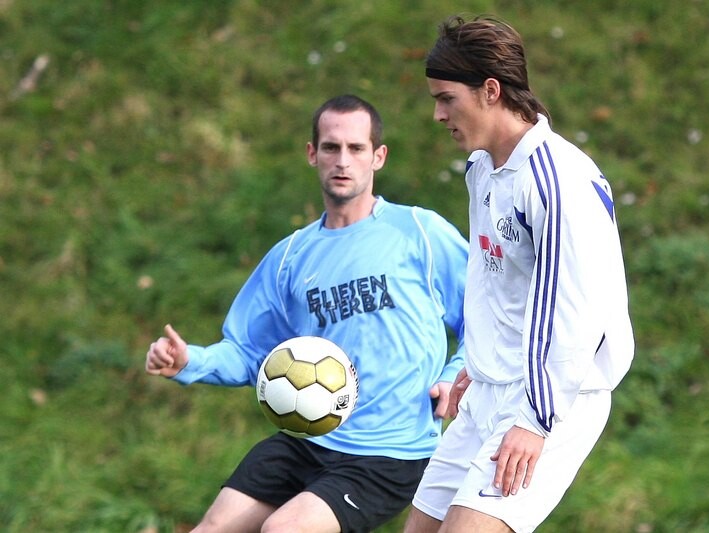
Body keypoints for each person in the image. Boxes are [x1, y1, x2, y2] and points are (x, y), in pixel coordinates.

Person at [145, 94, 468, 533]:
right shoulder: (289, 257)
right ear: (313, 154)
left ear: (378, 156)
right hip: (308, 437)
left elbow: (484, 319)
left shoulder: (420, 233)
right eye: (331, 147)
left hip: (389, 452)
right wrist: (190, 361)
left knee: (283, 529)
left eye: (356, 148)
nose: (343, 161)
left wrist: (453, 374)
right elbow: (250, 352)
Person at [404, 16, 635, 533]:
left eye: (446, 99)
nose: (438, 115)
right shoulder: (482, 167)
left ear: (490, 91)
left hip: (553, 398)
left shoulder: (556, 180)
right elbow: (494, 277)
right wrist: (480, 360)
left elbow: (572, 313)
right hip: (490, 387)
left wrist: (535, 419)